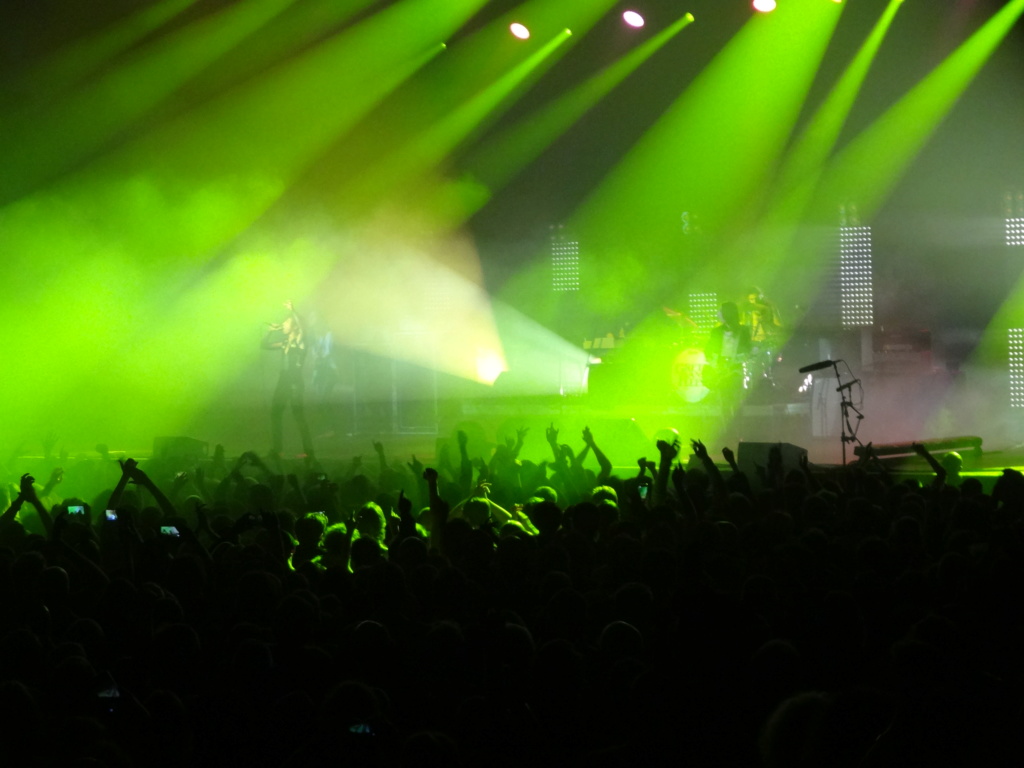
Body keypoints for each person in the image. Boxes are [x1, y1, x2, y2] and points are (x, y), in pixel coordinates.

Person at [262, 300, 315, 458]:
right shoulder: (285, 342)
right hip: (283, 382)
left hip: (294, 383)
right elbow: (264, 345)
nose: (283, 324)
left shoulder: (300, 342)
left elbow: (303, 329)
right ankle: (277, 450)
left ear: (294, 326)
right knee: (275, 413)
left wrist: (293, 311)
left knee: (298, 415)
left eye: (287, 322)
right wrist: (269, 331)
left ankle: (309, 451)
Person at [703, 301, 752, 416]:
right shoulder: (716, 332)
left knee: (735, 399)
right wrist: (714, 362)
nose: (718, 313)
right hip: (720, 368)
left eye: (720, 311)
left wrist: (740, 358)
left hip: (735, 368)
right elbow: (708, 350)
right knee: (723, 401)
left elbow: (747, 348)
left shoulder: (743, 330)